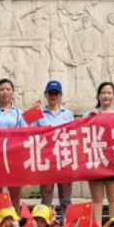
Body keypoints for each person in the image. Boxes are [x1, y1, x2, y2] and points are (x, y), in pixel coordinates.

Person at [35, 80, 75, 217]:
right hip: (46, 161)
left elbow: (74, 135)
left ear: (60, 95)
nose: (53, 96)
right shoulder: (38, 114)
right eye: (50, 93)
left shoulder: (68, 114)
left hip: (64, 159)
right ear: (45, 95)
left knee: (66, 199)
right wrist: (32, 111)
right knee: (46, 198)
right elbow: (26, 131)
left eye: (55, 93)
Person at [86, 82, 114, 226]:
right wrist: (90, 119)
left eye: (109, 93)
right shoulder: (89, 115)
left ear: (113, 96)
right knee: (97, 198)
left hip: (113, 161)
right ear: (98, 96)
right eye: (103, 93)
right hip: (95, 159)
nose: (106, 96)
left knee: (113, 197)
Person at [0, 79, 27, 211]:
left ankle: (15, 225)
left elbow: (25, 133)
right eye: (2, 89)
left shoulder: (18, 113)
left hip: (13, 157)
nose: (5, 92)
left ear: (12, 92)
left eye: (8, 89)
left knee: (15, 192)